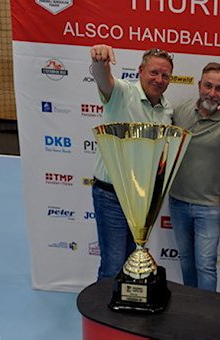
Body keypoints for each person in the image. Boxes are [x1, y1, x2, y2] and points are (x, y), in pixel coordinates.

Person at [88, 44, 175, 280]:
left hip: (142, 199)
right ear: (140, 71)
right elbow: (102, 78)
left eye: (165, 75)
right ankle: (101, 317)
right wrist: (99, 61)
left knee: (132, 263)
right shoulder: (122, 93)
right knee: (113, 265)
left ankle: (123, 315)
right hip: (112, 196)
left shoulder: (167, 110)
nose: (159, 79)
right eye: (154, 72)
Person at [168, 62, 220, 292]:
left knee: (205, 266)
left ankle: (205, 316)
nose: (212, 93)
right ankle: (191, 308)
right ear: (199, 85)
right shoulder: (180, 111)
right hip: (177, 201)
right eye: (208, 86)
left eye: (219, 89)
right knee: (186, 262)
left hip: (209, 207)